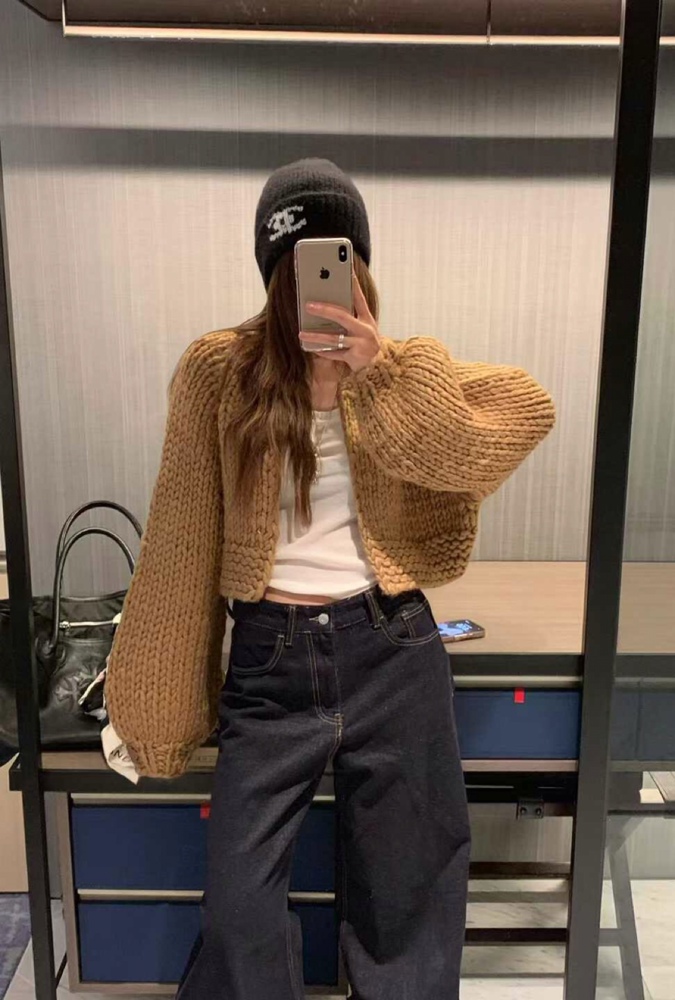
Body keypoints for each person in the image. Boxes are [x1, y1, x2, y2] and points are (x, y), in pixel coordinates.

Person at [103, 157, 556, 999]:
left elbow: (515, 422)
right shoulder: (218, 371)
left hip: (392, 647)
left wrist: (381, 375)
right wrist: (153, 699)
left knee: (409, 898)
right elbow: (180, 535)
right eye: (300, 262)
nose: (316, 282)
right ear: (275, 270)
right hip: (270, 664)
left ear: (359, 266)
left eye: (337, 258)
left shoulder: (406, 369)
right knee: (239, 908)